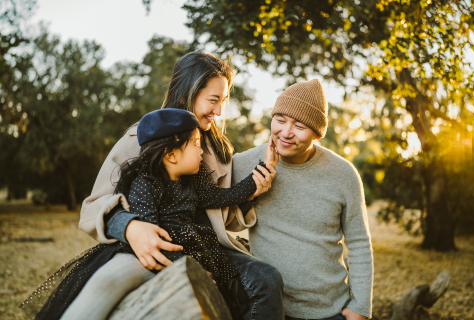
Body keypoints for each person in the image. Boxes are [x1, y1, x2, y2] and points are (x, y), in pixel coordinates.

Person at [72, 52, 284, 320]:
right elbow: (94, 206)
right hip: (155, 247)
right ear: (186, 94)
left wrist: (255, 188)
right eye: (213, 100)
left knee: (265, 279)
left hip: (208, 248)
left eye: (223, 101)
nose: (219, 111)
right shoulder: (142, 137)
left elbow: (219, 210)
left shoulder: (216, 150)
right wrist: (129, 226)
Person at [20, 108, 278, 320]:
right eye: (196, 145)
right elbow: (151, 234)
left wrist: (259, 176)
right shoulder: (146, 184)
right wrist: (186, 271)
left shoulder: (194, 180)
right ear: (171, 153)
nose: (202, 151)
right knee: (106, 284)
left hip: (196, 250)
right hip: (157, 253)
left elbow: (222, 197)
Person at [232, 79, 374, 320]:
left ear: (317, 134)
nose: (286, 132)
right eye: (280, 120)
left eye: (299, 125)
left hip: (330, 311)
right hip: (267, 309)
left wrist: (360, 307)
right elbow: (219, 220)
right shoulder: (242, 164)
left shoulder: (343, 174)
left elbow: (359, 243)